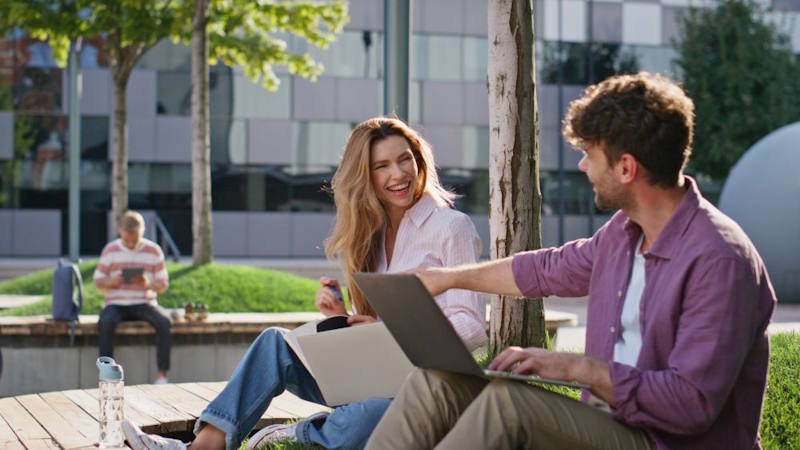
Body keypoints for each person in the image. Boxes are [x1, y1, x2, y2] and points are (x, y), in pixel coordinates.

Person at [365, 73, 777, 450]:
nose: (582, 166)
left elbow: (691, 404)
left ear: (627, 168)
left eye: (590, 155)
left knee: (507, 406)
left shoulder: (720, 260)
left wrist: (579, 368)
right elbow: (545, 269)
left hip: (665, 442)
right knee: (435, 382)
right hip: (608, 423)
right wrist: (447, 278)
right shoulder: (623, 233)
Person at [122, 117, 488, 450]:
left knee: (368, 419)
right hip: (377, 372)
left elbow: (472, 327)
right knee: (274, 344)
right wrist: (341, 317)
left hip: (425, 386)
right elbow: (376, 327)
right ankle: (203, 446)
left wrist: (394, 331)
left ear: (419, 161)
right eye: (382, 166)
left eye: (405, 159)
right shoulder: (372, 235)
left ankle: (294, 434)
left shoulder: (450, 228)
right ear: (365, 176)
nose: (398, 173)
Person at [94, 210, 171, 384]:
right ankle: (106, 376)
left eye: (134, 240)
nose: (130, 244)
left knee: (164, 322)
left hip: (144, 302)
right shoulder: (110, 250)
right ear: (120, 232)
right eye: (127, 239)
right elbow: (98, 282)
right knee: (105, 322)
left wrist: (148, 284)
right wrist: (111, 281)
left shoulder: (153, 251)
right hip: (116, 303)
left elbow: (163, 284)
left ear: (142, 232)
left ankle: (162, 376)